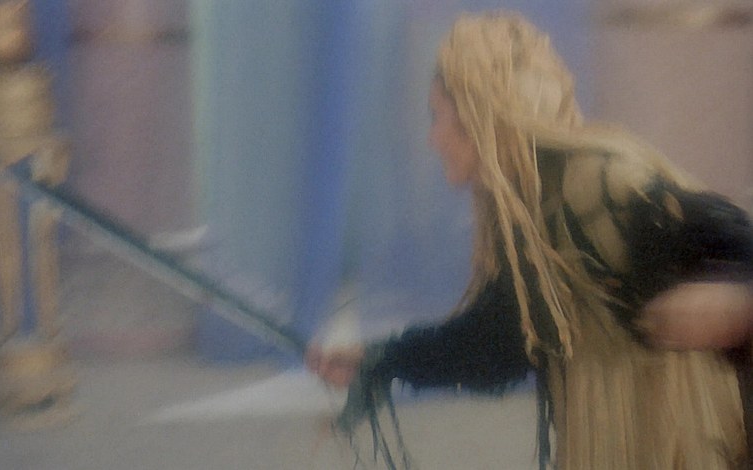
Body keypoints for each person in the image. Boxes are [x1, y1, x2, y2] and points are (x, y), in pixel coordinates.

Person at [305, 11, 752, 470]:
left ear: (482, 115)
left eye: (438, 117)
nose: (432, 138)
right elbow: (498, 342)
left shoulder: (597, 185)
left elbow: (734, 242)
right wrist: (383, 358)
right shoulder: (532, 209)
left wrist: (737, 298)